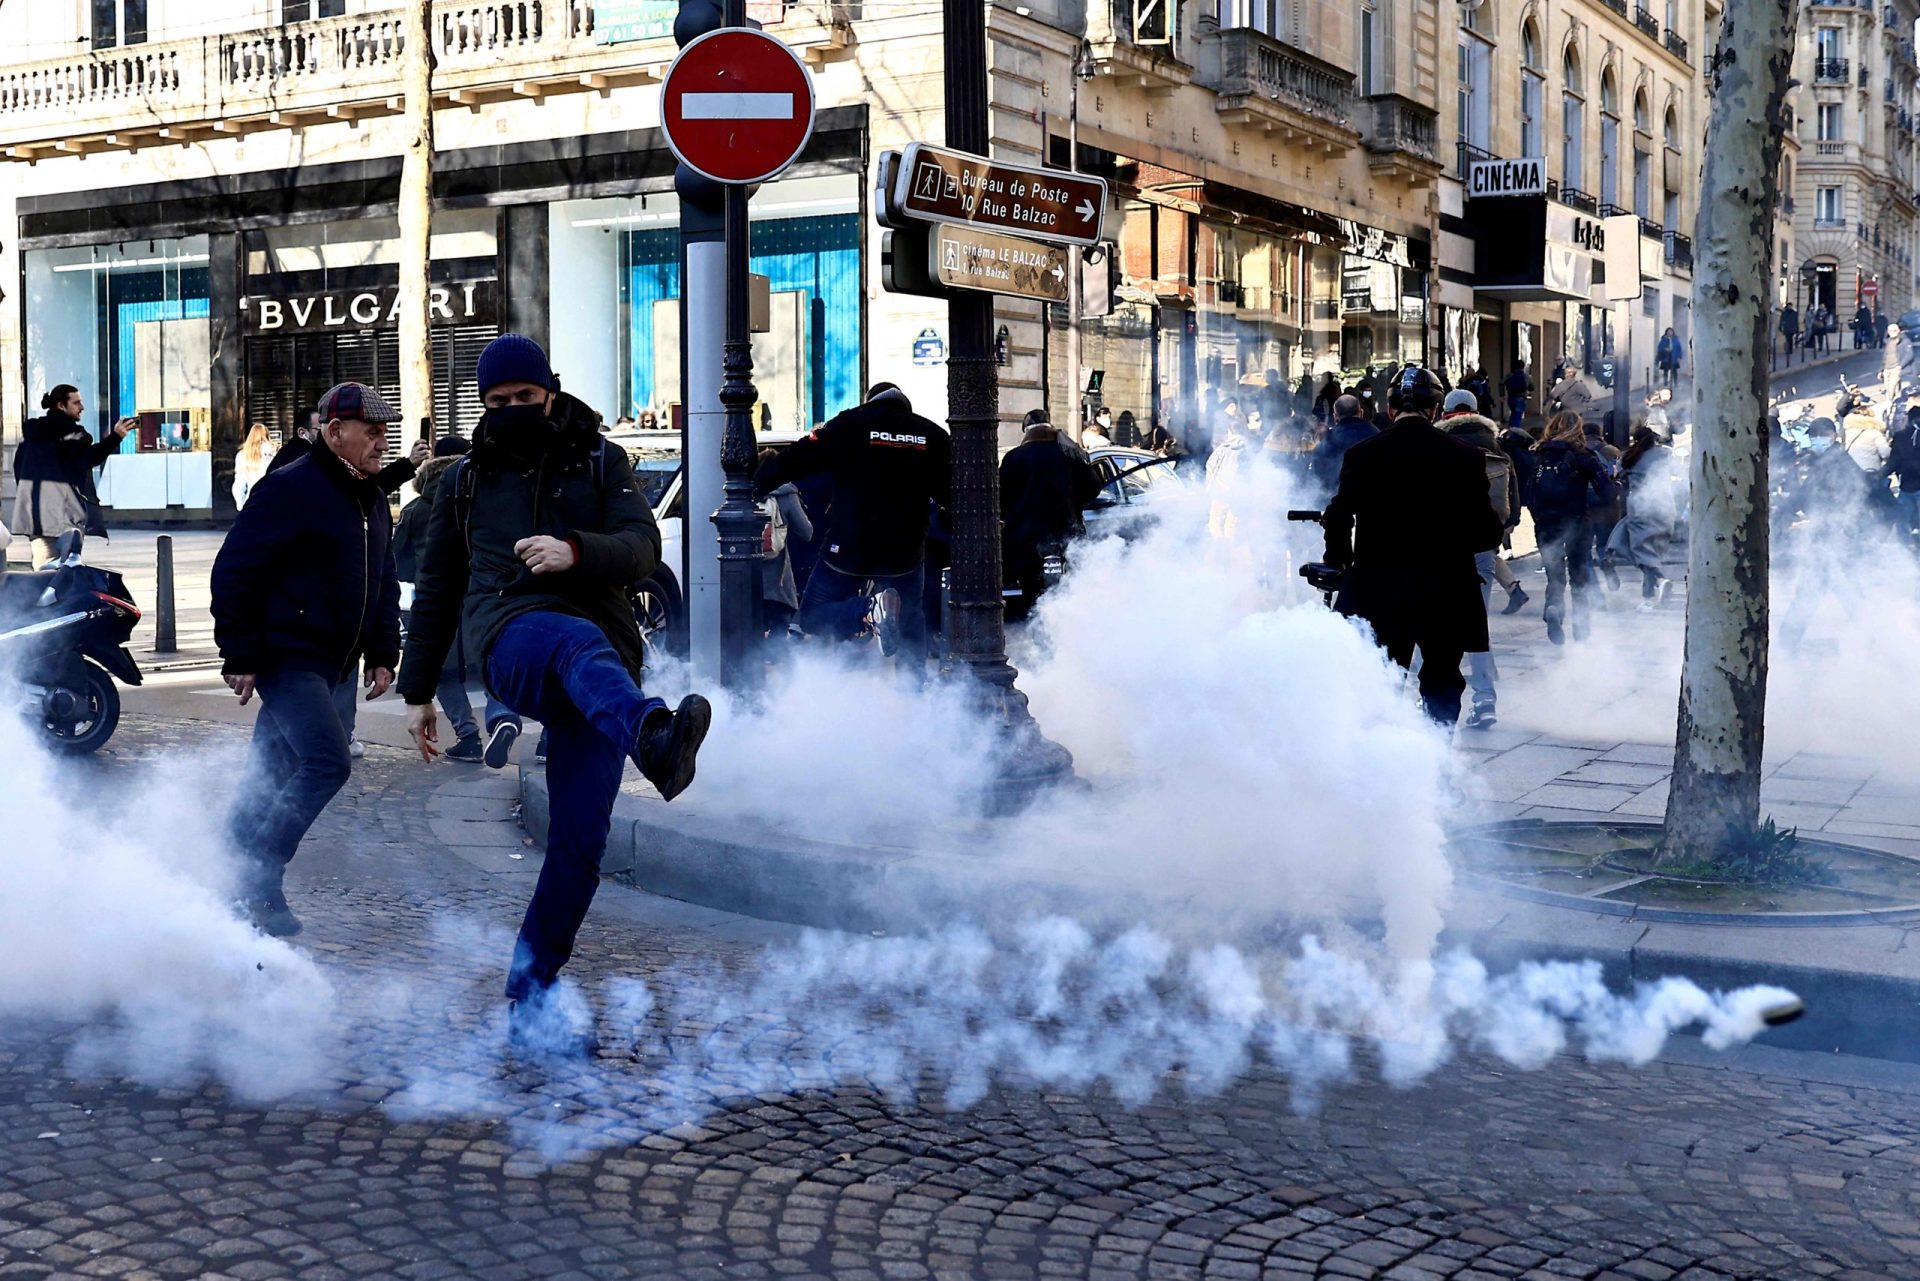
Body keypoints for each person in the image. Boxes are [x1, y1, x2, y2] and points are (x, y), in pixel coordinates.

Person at [401, 335, 711, 1054]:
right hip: (511, 633)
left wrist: (576, 549)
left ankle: (531, 996)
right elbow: (438, 590)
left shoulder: (603, 461)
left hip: (603, 669)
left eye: (525, 400)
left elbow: (643, 548)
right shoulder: (464, 480)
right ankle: (656, 740)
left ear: (551, 391)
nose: (512, 411)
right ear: (482, 406)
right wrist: (419, 691)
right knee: (572, 643)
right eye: (497, 403)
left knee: (579, 846)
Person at [211, 383, 403, 938]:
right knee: (328, 762)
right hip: (286, 654)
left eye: (383, 432)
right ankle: (260, 878)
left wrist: (384, 650)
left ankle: (224, 874)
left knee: (267, 776)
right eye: (370, 431)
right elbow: (235, 570)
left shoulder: (369, 494)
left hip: (331, 661)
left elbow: (382, 581)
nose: (380, 441)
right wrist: (240, 652)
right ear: (334, 431)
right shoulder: (291, 487)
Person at [1322, 367, 1504, 726]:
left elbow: (1340, 517)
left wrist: (1339, 563)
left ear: (1390, 410)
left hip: (1380, 586)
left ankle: (1388, 763)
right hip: (1446, 588)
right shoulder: (1465, 457)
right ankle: (1436, 760)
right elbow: (1486, 532)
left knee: (1382, 682)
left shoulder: (1362, 454)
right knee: (1441, 684)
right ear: (1435, 410)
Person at [753, 383, 951, 666]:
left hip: (849, 545)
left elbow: (799, 458)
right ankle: (913, 692)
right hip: (904, 550)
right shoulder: (932, 435)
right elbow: (954, 494)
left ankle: (868, 609)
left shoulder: (851, 424)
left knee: (812, 614)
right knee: (910, 620)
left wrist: (758, 483)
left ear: (870, 401)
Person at [1437, 388, 1524, 729]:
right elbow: (1513, 502)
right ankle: (1485, 700)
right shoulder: (1497, 445)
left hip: (1442, 547)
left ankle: (1436, 696)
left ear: (1445, 412)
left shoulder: (1438, 444)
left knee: (1434, 623)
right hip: (1482, 550)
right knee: (1477, 626)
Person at [11, 384, 133, 568]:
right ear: (61, 405)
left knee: (44, 570)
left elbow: (19, 470)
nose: (81, 407)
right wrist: (115, 437)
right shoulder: (73, 435)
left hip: (35, 515)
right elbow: (87, 460)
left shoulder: (31, 436)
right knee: (68, 570)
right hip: (64, 514)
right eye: (76, 403)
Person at [1525, 411, 1619, 645]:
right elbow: (1606, 493)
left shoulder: (1540, 453)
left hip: (1546, 523)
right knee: (1579, 574)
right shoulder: (1584, 456)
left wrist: (1540, 519)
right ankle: (1581, 626)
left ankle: (1554, 608)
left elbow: (1530, 492)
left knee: (1555, 576)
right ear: (1578, 429)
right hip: (1577, 522)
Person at [1000, 410, 1101, 621]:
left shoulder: (1014, 457)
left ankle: (1040, 638)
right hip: (1065, 532)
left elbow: (1001, 497)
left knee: (1033, 593)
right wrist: (1074, 503)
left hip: (1026, 539)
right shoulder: (1069, 452)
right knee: (1068, 590)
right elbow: (1093, 487)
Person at [1610, 424, 1682, 609]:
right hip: (1665, 505)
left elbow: (1618, 477)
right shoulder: (1666, 453)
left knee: (1632, 548)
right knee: (1652, 551)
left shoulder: (1629, 457)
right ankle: (1649, 597)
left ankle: (1658, 579)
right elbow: (1680, 473)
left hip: (1641, 506)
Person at [757, 446, 815, 635]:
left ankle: (753, 665)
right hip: (778, 583)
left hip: (748, 581)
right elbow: (807, 532)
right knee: (779, 635)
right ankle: (776, 662)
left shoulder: (744, 491)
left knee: (750, 639)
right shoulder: (786, 494)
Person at [1305, 395, 1378, 498]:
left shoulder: (1326, 442)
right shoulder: (1377, 435)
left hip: (1337, 504)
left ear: (1335, 417)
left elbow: (1315, 482)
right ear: (1361, 412)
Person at [1583, 421, 1626, 591]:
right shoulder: (1612, 452)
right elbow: (1619, 475)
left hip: (1585, 506)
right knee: (1603, 544)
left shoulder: (1579, 452)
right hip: (1608, 506)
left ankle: (1594, 591)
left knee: (1584, 550)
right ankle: (1605, 561)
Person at [1889, 404, 1920, 537]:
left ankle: (1906, 546)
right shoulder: (1901, 437)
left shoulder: (1900, 436)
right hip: (1909, 485)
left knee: (1903, 518)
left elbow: (1894, 461)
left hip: (1906, 484)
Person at [233, 423, 279, 511]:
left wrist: (240, 505)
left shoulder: (243, 456)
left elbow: (239, 485)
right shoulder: (275, 452)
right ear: (267, 435)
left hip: (252, 501)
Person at [1503, 362, 1533, 428]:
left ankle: (1510, 431)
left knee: (1513, 415)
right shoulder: (1525, 376)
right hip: (1521, 398)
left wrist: (1501, 395)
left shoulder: (1509, 375)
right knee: (1517, 417)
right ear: (1523, 367)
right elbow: (1532, 388)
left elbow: (1501, 383)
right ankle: (1515, 434)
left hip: (1511, 397)